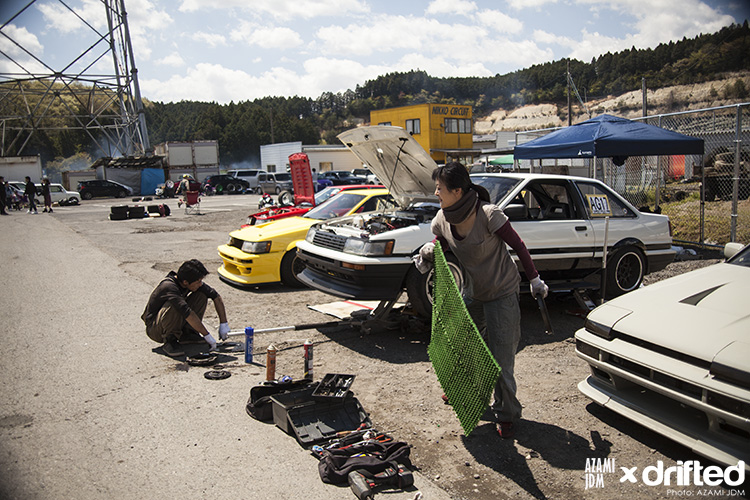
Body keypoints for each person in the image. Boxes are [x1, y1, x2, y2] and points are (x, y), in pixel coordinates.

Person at [416, 162, 548, 439]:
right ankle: (466, 391)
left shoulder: (488, 214)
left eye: (440, 188)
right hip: (474, 291)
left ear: (457, 190)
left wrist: (535, 279)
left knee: (501, 358)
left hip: (502, 292)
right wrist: (431, 247)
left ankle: (507, 413)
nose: (436, 192)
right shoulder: (442, 218)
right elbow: (442, 241)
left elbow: (518, 246)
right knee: (461, 343)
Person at [141, 259, 231, 357]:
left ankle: (188, 333)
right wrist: (207, 335)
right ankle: (170, 339)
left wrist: (223, 324)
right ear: (185, 282)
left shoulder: (190, 282)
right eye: (198, 281)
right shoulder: (169, 286)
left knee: (202, 295)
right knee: (175, 305)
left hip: (174, 320)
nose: (200, 284)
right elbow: (188, 313)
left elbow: (216, 297)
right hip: (155, 329)